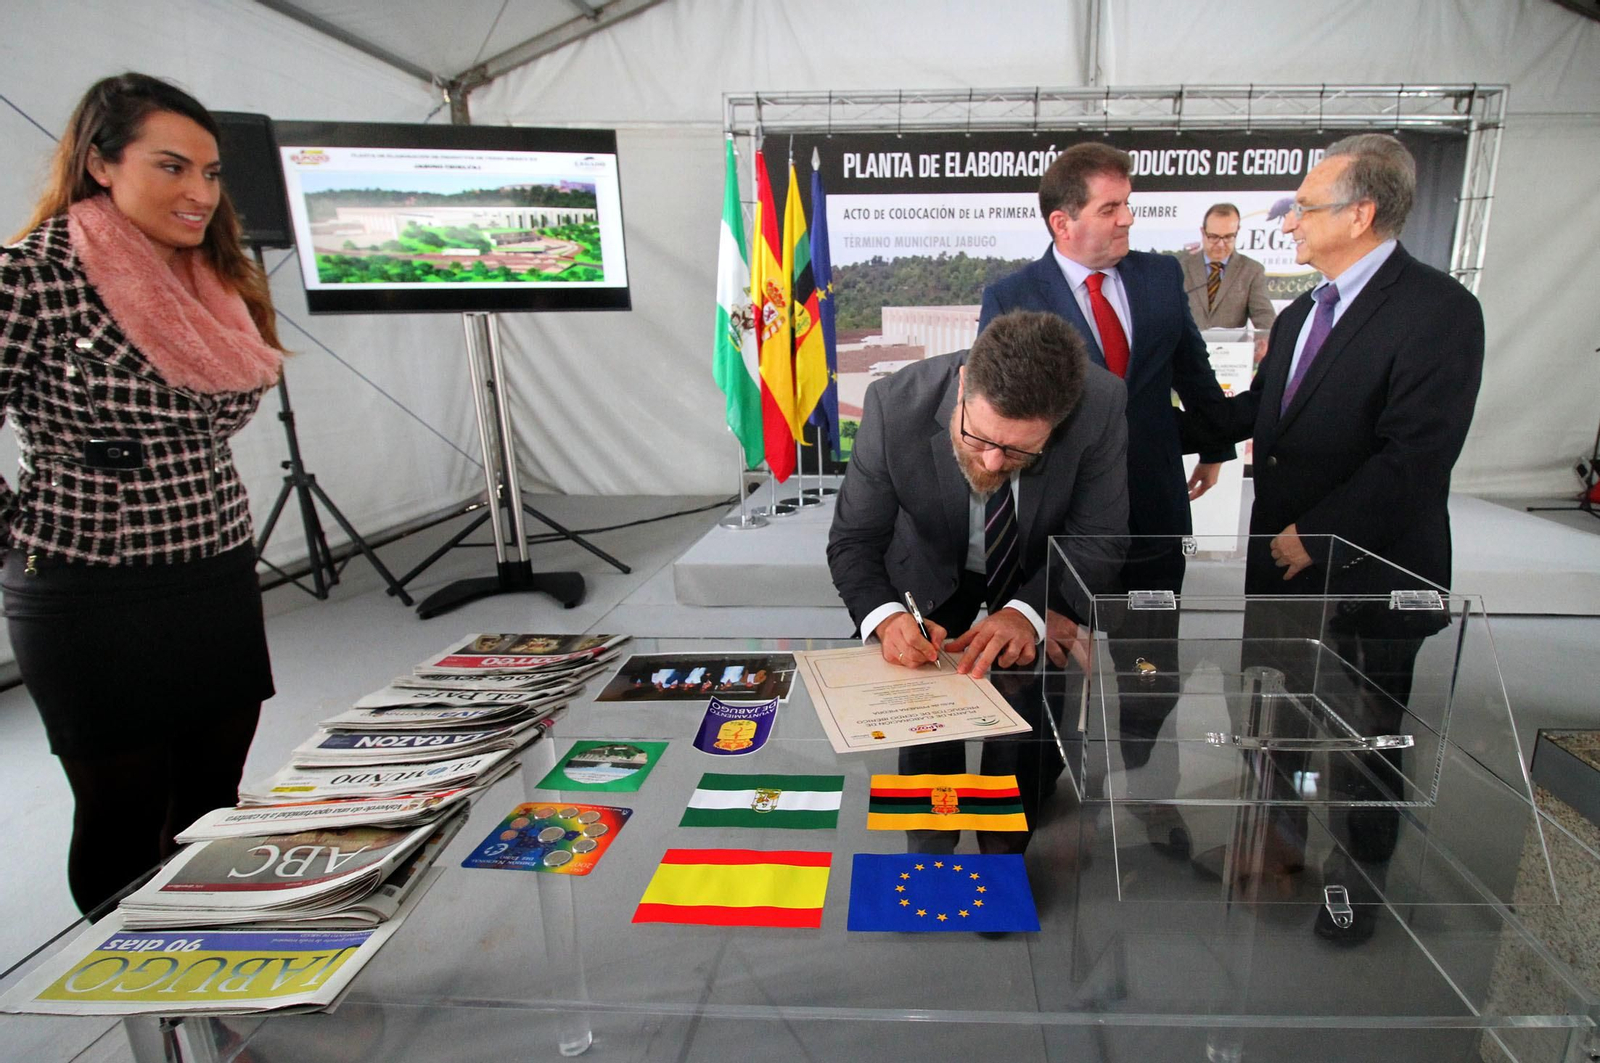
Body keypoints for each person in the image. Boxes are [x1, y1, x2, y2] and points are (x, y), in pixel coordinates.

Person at [1185, 133, 1485, 943]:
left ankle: (1357, 888)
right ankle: (1275, 859)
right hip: (1282, 579)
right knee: (1276, 728)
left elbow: (1417, 454)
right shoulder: (1301, 313)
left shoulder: (1440, 312)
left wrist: (1313, 537)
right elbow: (1256, 417)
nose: (1289, 226)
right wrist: (1152, 411)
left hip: (1367, 577)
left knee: (1365, 743)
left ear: (1361, 212)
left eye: (1305, 210)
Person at [0, 73, 284, 914]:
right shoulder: (31, 277)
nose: (199, 192)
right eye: (171, 167)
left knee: (211, 804)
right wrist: (19, 529)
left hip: (216, 570)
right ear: (99, 163)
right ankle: (154, 1021)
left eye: (210, 172)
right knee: (123, 819)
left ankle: (220, 978)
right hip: (91, 592)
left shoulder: (212, 279)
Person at [978, 144, 1236, 857]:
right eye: (1110, 207)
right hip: (1062, 522)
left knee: (1153, 666)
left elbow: (1193, 367)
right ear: (1063, 222)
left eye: (1129, 204)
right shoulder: (1012, 296)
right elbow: (1000, 408)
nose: (1129, 219)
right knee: (1051, 656)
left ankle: (1153, 793)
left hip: (1154, 508)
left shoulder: (1157, 276)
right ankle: (1038, 783)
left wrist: (1215, 444)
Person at [827, 310, 1128, 850]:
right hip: (930, 572)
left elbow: (1100, 537)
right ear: (964, 384)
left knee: (1024, 721)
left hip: (1036, 571)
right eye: (977, 436)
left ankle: (1003, 856)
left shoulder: (1101, 403)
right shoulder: (894, 404)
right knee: (923, 714)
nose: (991, 462)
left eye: (1018, 451)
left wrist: (1030, 612)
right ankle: (930, 838)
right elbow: (854, 540)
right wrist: (886, 617)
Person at [1179, 202, 1278, 336]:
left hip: (1230, 353)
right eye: (1213, 237)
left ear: (1237, 232)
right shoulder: (1180, 268)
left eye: (1228, 237)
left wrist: (1266, 342)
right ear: (1203, 232)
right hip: (1185, 353)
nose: (1220, 244)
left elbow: (1264, 316)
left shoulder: (1252, 270)